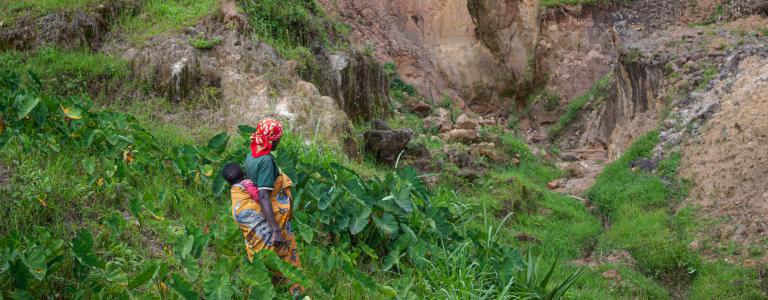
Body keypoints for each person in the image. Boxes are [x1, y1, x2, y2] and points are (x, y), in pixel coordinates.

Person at [226, 118, 303, 294]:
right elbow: (263, 195)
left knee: (268, 259)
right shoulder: (266, 161)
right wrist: (275, 229)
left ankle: (274, 290)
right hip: (271, 213)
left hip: (263, 206)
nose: (280, 141)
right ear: (272, 140)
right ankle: (295, 293)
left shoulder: (252, 152)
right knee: (284, 258)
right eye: (278, 138)